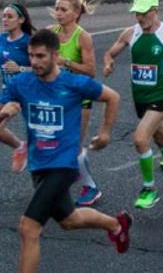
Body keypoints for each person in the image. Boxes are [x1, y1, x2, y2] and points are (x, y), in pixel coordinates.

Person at [0, 29, 130, 273]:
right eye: (31, 56)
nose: (34, 62)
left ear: (55, 55)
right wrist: (5, 113)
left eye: (40, 56)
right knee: (69, 220)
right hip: (38, 163)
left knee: (29, 228)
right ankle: (116, 224)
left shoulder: (74, 83)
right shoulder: (21, 83)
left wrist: (105, 134)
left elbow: (113, 97)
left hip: (64, 163)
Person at [102, 0, 163, 209]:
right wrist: (108, 64)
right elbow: (109, 53)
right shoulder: (130, 33)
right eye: (137, 13)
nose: (139, 18)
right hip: (140, 97)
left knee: (140, 139)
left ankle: (148, 189)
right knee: (162, 140)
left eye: (144, 13)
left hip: (162, 96)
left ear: (155, 11)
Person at [50, 0, 103, 206]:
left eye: (63, 9)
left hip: (79, 96)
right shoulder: (50, 33)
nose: (59, 13)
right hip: (56, 95)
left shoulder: (83, 37)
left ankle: (91, 186)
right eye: (57, 9)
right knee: (55, 141)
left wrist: (66, 62)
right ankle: (58, 183)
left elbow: (91, 71)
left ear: (76, 13)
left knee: (73, 143)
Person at [2, 3, 34, 171]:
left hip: (26, 92)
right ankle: (21, 147)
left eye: (10, 16)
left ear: (21, 20)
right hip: (7, 92)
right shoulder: (1, 39)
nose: (5, 20)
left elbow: (42, 68)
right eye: (4, 16)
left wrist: (20, 68)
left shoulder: (28, 42)